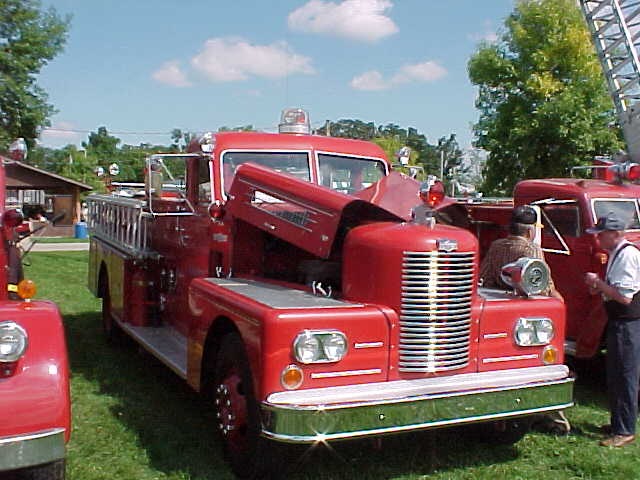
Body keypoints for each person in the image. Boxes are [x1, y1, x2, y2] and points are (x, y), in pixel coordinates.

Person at [584, 212, 640, 447]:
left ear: (615, 234)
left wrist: (598, 284)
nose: (598, 239)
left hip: (627, 324)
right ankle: (619, 422)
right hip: (619, 322)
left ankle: (625, 429)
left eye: (601, 234)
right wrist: (600, 287)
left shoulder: (627, 256)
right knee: (616, 375)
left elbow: (625, 297)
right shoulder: (617, 254)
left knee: (625, 375)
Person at [480, 205, 563, 301]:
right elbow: (544, 286)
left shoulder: (495, 246)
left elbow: (484, 276)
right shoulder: (532, 249)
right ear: (529, 232)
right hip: (524, 302)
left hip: (497, 301)